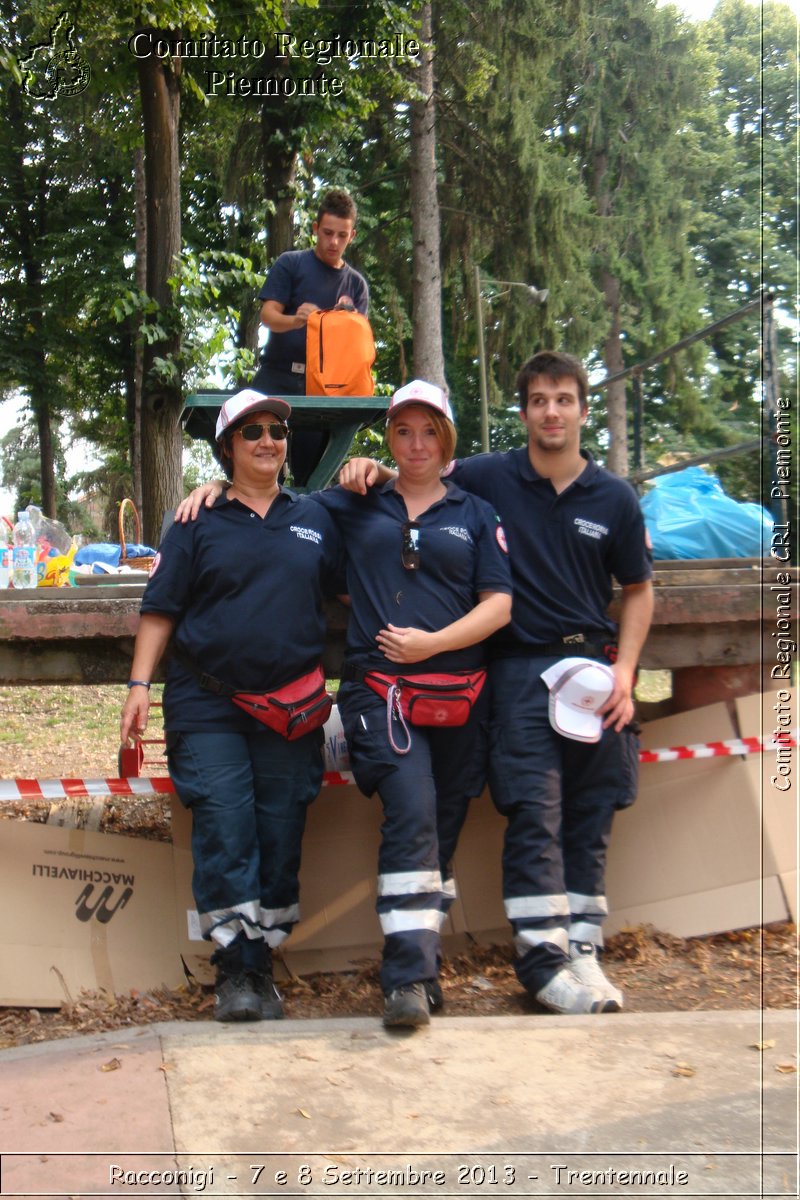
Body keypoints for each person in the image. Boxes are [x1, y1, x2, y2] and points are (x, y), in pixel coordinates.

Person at [175, 380, 513, 1030]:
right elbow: (272, 504)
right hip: (381, 691)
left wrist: (433, 643)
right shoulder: (356, 504)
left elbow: (500, 602)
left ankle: (422, 959)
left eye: (429, 431)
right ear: (390, 436)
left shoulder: (475, 512)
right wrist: (212, 492)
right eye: (403, 432)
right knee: (412, 810)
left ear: (447, 438)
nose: (416, 444)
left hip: (461, 692)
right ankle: (405, 980)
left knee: (441, 824)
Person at [339, 350, 654, 1016]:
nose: (551, 411)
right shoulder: (489, 478)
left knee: (592, 814)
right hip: (514, 672)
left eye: (563, 399)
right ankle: (541, 966)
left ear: (582, 410)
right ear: (523, 412)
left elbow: (639, 589)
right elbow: (419, 471)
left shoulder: (614, 498)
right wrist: (368, 469)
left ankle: (584, 953)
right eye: (539, 400)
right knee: (534, 814)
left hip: (594, 672)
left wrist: (625, 671)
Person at [120, 388, 343, 1024]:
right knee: (225, 826)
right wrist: (139, 687)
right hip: (207, 702)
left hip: (290, 708)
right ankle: (234, 972)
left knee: (280, 828)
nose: (269, 441)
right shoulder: (197, 521)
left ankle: (262, 960)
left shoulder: (316, 518)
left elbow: (363, 573)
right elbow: (160, 608)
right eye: (252, 432)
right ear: (227, 449)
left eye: (277, 430)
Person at [251, 188, 369, 484]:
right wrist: (296, 320)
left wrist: (339, 325)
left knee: (311, 479)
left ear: (352, 235)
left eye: (342, 235)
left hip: (324, 390)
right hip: (276, 377)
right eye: (327, 233)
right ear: (316, 229)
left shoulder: (356, 285)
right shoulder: (291, 264)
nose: (334, 242)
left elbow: (357, 351)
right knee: (257, 468)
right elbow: (268, 316)